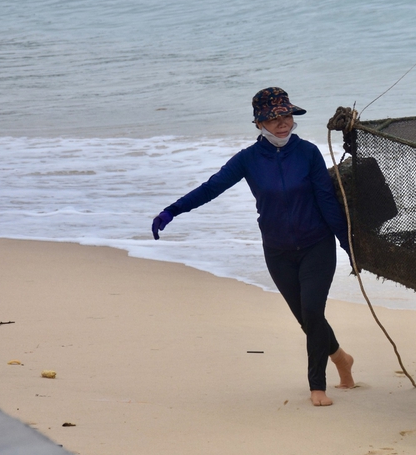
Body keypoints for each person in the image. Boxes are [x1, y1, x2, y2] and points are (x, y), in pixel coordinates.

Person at [151, 87, 357, 407]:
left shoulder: (308, 153)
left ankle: (318, 386)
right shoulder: (248, 160)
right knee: (307, 319)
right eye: (273, 118)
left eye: (286, 115)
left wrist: (347, 245)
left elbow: (327, 202)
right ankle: (341, 357)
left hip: (317, 244)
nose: (282, 123)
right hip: (277, 251)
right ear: (259, 123)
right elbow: (211, 188)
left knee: (314, 312)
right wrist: (172, 211)